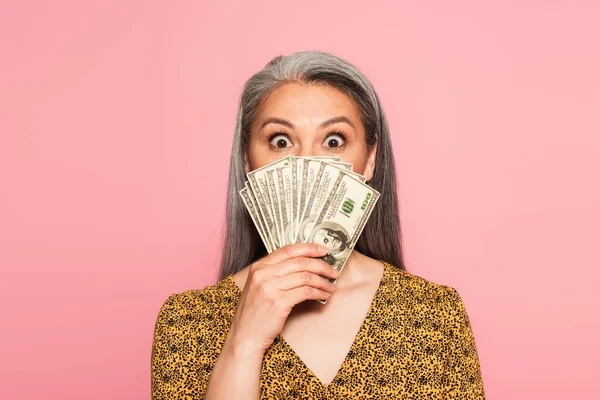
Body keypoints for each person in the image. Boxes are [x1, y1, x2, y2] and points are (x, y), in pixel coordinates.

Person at [151, 50, 485, 399]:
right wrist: (243, 343)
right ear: (249, 162)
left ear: (370, 160)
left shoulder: (434, 314)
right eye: (281, 141)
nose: (307, 162)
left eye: (333, 141)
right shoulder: (187, 322)